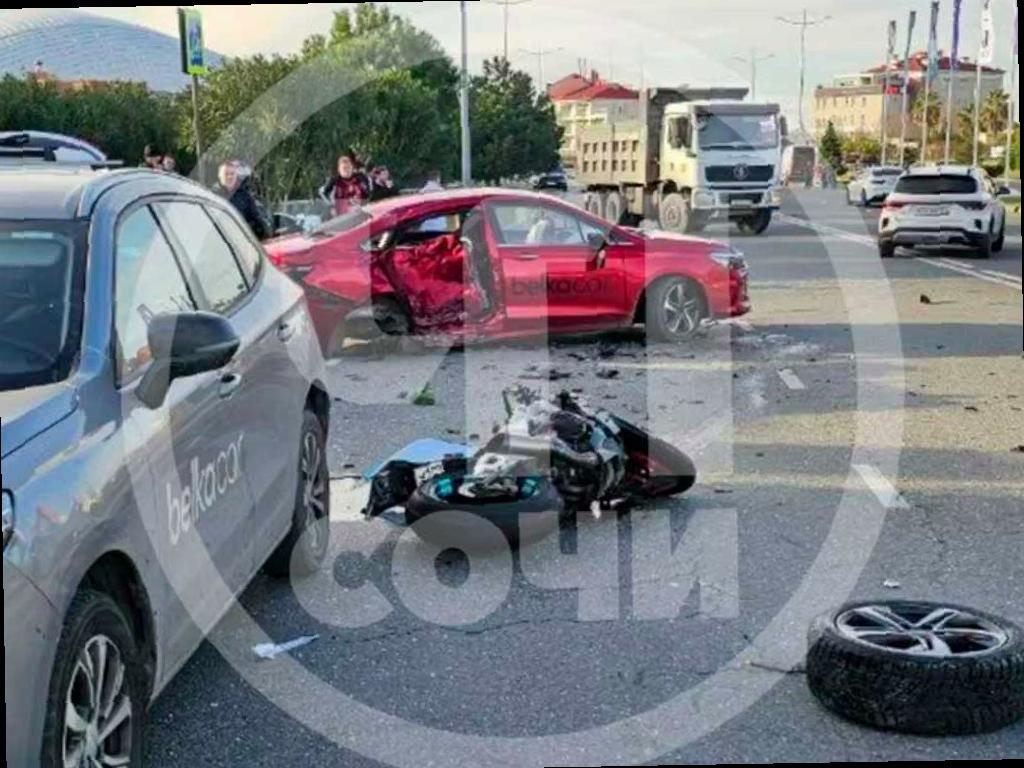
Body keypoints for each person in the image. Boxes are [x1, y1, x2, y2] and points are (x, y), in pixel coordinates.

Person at [215, 161, 272, 241]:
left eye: (232, 174)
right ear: (220, 176)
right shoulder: (213, 196)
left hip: (242, 240)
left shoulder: (245, 196)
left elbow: (257, 221)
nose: (229, 177)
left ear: (236, 176)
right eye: (226, 174)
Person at [319, 151, 371, 217]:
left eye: (348, 167)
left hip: (362, 208)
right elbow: (323, 193)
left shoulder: (361, 177)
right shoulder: (334, 181)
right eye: (344, 168)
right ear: (339, 169)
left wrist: (364, 200)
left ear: (352, 168)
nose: (346, 170)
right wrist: (332, 205)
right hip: (343, 212)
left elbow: (369, 192)